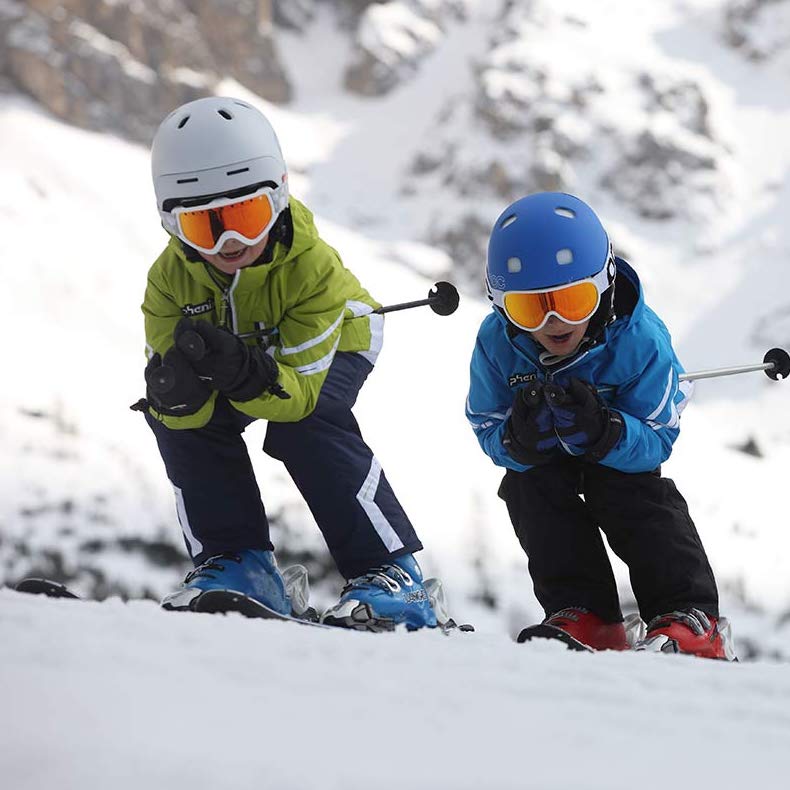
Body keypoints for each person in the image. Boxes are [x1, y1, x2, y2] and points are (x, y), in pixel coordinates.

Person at [137, 96, 439, 631]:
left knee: (306, 423)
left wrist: (244, 373)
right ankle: (240, 564)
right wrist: (177, 398)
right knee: (182, 420)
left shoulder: (311, 268)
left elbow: (297, 393)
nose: (232, 243)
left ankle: (394, 575)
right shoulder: (168, 280)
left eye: (248, 217)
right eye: (205, 227)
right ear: (172, 223)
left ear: (277, 198)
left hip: (338, 341)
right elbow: (179, 393)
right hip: (247, 361)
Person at [466, 192, 735, 659]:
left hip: (618, 459)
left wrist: (607, 431)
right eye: (531, 308)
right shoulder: (496, 343)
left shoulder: (639, 340)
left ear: (604, 283)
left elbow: (658, 437)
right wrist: (518, 441)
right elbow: (485, 422)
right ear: (501, 306)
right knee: (528, 487)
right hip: (549, 460)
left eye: (572, 300)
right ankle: (587, 615)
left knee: (633, 493)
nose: (553, 322)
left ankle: (690, 617)